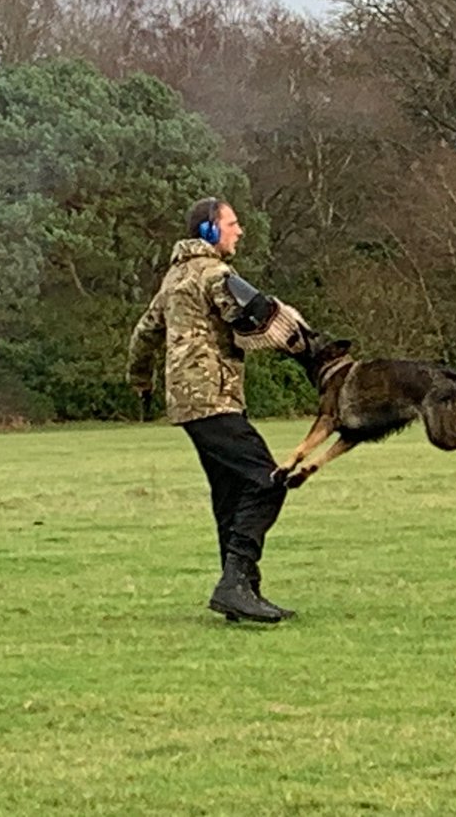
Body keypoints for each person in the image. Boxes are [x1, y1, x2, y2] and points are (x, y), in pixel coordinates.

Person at [126, 197, 299, 624]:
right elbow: (245, 316)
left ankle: (243, 592)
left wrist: (141, 382)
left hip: (186, 404)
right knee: (268, 481)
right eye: (233, 224)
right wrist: (294, 337)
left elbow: (143, 335)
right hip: (214, 398)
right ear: (209, 231)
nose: (240, 231)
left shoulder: (173, 279)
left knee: (231, 494)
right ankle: (235, 582)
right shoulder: (216, 274)